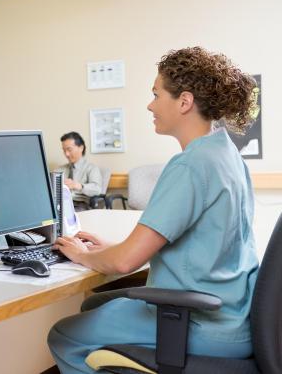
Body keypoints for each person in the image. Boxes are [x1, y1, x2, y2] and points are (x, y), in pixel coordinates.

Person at [48, 47, 260, 373]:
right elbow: (193, 244)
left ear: (184, 102)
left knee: (64, 334)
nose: (150, 104)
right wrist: (110, 249)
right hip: (233, 314)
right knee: (93, 304)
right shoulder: (227, 154)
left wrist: (81, 255)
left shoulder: (191, 165)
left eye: (156, 94)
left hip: (199, 323)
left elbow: (124, 262)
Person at [57, 132, 103, 211]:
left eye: (69, 149)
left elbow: (97, 189)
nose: (66, 154)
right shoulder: (60, 170)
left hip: (79, 205)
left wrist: (79, 186)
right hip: (60, 204)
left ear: (81, 148)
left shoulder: (91, 168)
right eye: (64, 150)